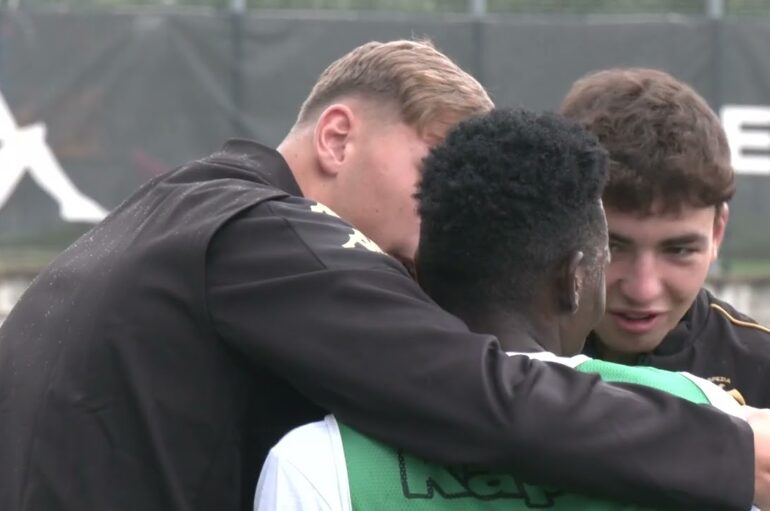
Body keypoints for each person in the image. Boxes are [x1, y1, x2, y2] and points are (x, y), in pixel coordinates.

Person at [0, 40, 765, 511]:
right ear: (338, 136)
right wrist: (731, 449)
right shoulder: (260, 231)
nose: (445, 210)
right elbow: (475, 388)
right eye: (433, 172)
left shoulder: (170, 215)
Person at [253, 107, 755, 511]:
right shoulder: (708, 419)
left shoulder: (317, 460)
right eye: (610, 256)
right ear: (574, 279)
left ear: (419, 272)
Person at [560, 68, 770, 408]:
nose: (643, 290)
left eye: (679, 250)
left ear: (717, 232)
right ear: (557, 224)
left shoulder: (760, 373)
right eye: (611, 247)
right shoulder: (493, 359)